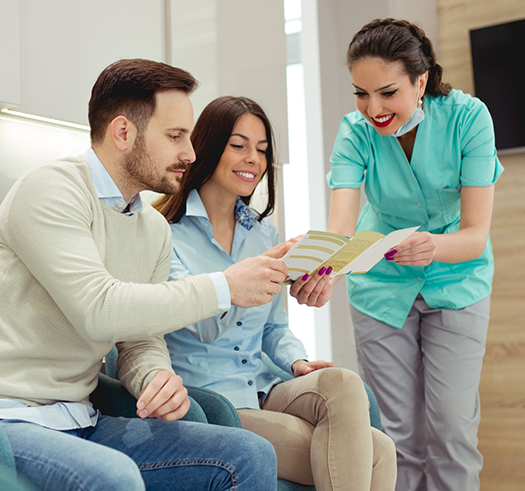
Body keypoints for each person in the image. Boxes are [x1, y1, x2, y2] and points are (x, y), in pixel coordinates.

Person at [0, 59, 289, 491]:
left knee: (248, 454)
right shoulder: (50, 190)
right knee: (113, 478)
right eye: (175, 136)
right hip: (12, 417)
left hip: (82, 418)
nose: (190, 153)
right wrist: (224, 286)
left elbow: (139, 338)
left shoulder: (151, 228)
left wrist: (153, 376)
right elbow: (98, 309)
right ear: (123, 133)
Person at [290, 18, 504, 491]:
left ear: (421, 80)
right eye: (361, 94)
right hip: (381, 287)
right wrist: (324, 271)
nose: (373, 109)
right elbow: (341, 228)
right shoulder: (354, 132)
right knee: (395, 438)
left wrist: (433, 247)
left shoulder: (469, 119)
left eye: (387, 92)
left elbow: (474, 234)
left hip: (457, 280)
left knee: (451, 432)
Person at [154, 95, 397, 491]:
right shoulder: (164, 232)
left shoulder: (263, 232)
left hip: (265, 384)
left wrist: (296, 361)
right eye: (239, 145)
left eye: (262, 150)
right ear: (209, 146)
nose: (254, 158)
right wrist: (248, 275)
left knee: (345, 384)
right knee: (378, 452)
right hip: (213, 400)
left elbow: (274, 328)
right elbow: (203, 327)